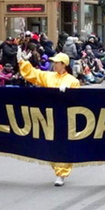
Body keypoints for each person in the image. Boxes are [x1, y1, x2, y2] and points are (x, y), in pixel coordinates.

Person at [17, 51, 80, 186]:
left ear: (64, 65)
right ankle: (57, 169)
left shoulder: (73, 81)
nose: (54, 64)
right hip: (49, 116)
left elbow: (77, 101)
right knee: (52, 145)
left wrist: (69, 94)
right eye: (54, 62)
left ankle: (61, 174)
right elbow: (34, 74)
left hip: (65, 118)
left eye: (57, 63)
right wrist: (22, 61)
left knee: (63, 145)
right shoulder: (48, 76)